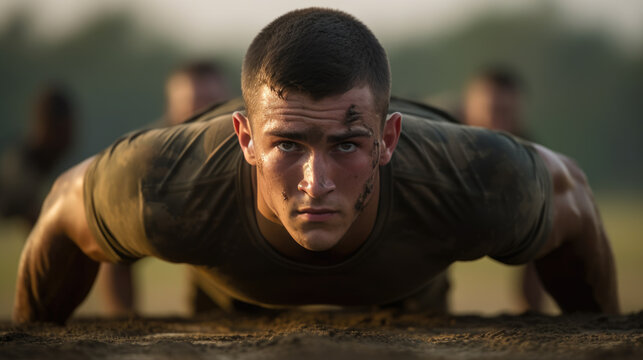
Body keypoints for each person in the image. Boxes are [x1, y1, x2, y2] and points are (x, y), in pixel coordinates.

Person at [13, 8, 619, 325]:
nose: (316, 182)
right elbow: (67, 205)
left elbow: (573, 195)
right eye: (288, 146)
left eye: (347, 147)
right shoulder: (166, 182)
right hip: (230, 302)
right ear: (245, 138)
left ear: (388, 138)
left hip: (410, 300)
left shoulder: (477, 176)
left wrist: (602, 334)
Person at [97, 60, 231, 317]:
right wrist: (124, 319)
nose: (204, 112)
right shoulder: (146, 160)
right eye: (193, 103)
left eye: (213, 102)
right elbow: (112, 246)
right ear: (172, 110)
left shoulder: (251, 145)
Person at [462, 66, 545, 312]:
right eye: (492, 111)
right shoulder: (439, 137)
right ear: (468, 107)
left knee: (544, 221)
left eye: (507, 113)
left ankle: (533, 314)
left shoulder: (531, 155)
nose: (498, 124)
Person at [0, 84, 74, 226]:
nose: (69, 138)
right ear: (45, 126)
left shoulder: (48, 168)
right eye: (65, 130)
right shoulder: (18, 170)